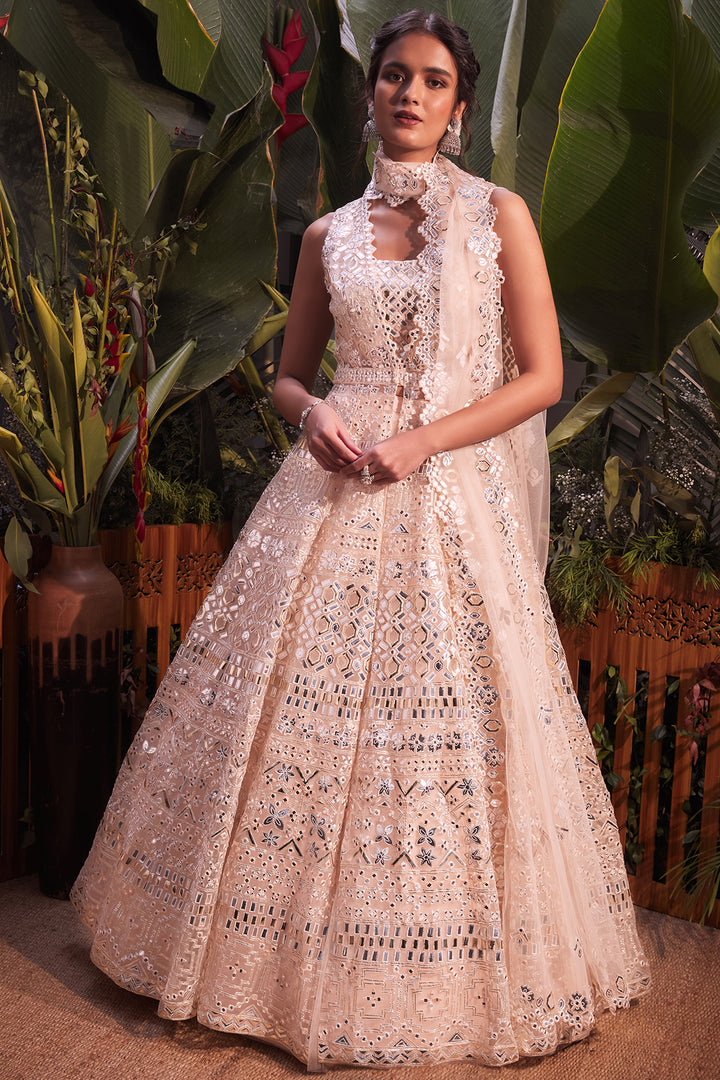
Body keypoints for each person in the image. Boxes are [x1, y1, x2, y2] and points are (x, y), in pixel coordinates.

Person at [71, 10, 650, 1073]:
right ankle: (267, 965)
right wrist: (312, 416)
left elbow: (541, 378)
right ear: (372, 92)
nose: (409, 94)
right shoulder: (329, 233)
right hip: (330, 489)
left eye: (432, 80)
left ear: (459, 106)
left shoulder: (499, 216)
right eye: (393, 76)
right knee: (287, 708)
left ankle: (437, 970)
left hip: (449, 492)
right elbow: (291, 373)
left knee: (439, 723)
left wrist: (425, 438)